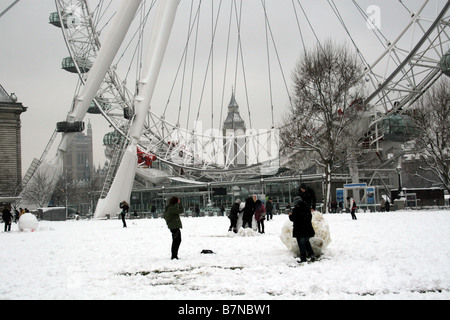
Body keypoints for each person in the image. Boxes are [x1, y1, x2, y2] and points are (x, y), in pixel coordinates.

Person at [289, 196, 315, 263]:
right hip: (307, 228)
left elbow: (293, 218)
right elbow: (310, 217)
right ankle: (311, 254)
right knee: (306, 242)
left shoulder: (296, 209)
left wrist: (290, 215)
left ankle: (303, 258)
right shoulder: (306, 207)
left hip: (299, 229)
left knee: (301, 244)